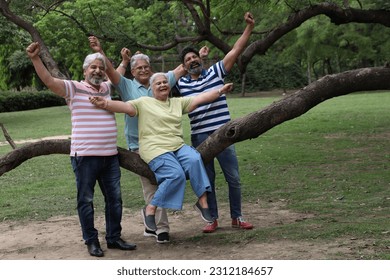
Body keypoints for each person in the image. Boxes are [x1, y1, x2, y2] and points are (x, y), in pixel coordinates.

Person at [26, 42, 136, 257]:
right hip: (85, 157)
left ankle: (114, 238)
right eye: (93, 67)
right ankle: (91, 241)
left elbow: (119, 72)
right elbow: (49, 81)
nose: (98, 71)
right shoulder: (73, 88)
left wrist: (123, 62)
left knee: (115, 200)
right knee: (86, 200)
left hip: (110, 157)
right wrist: (35, 59)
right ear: (85, 71)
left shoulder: (106, 88)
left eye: (101, 68)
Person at [89, 72, 234, 232]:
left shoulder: (177, 103)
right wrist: (104, 103)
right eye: (158, 83)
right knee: (175, 174)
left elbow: (200, 98)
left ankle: (203, 202)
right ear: (151, 88)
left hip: (177, 145)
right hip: (154, 147)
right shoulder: (144, 102)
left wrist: (220, 91)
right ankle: (150, 209)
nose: (163, 85)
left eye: (165, 82)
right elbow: (124, 107)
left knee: (194, 159)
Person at [88, 36, 186, 243]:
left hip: (165, 144)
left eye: (146, 67)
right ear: (133, 72)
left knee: (168, 179)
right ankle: (161, 228)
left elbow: (181, 69)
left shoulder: (160, 81)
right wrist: (100, 50)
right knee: (151, 184)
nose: (143, 70)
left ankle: (151, 218)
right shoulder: (126, 86)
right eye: (139, 68)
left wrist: (196, 58)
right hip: (139, 145)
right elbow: (111, 71)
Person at [176, 12, 255, 233]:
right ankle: (212, 219)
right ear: (183, 66)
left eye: (195, 58)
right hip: (201, 137)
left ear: (202, 59)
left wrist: (248, 28)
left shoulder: (215, 72)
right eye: (187, 60)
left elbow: (236, 50)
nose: (192, 61)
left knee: (234, 178)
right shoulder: (181, 85)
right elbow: (160, 82)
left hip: (224, 133)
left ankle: (237, 217)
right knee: (207, 179)